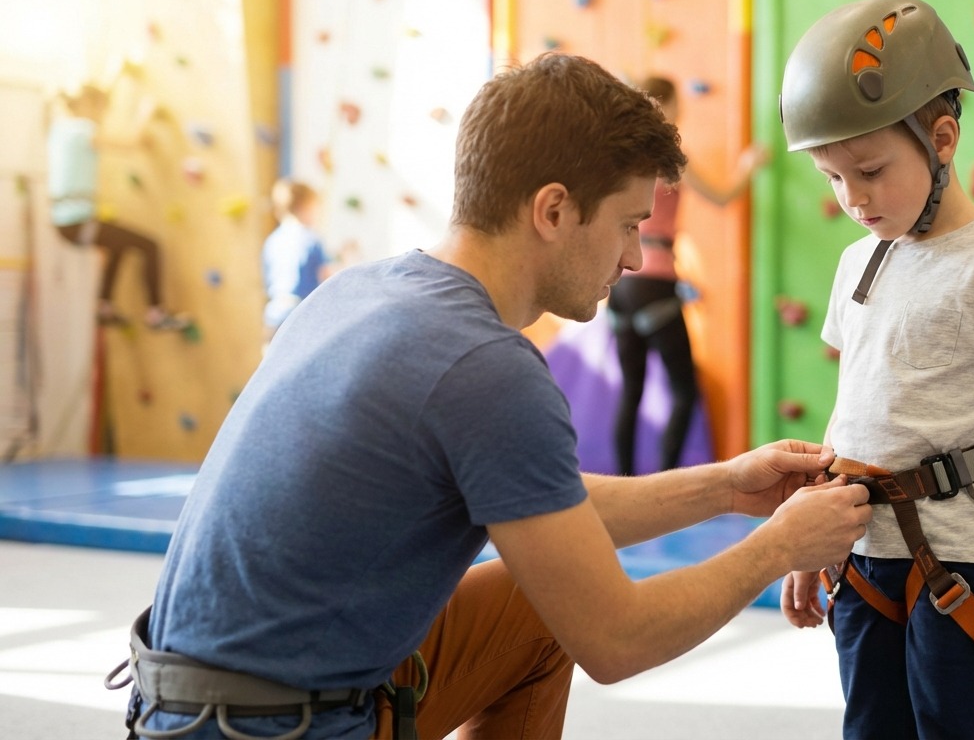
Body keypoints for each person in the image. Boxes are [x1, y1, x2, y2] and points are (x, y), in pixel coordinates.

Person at [113, 52, 872, 740]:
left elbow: (544, 506)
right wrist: (781, 546)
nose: (636, 255)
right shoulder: (484, 364)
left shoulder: (368, 289)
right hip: (268, 728)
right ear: (552, 210)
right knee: (572, 611)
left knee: (529, 598)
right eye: (627, 224)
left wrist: (727, 488)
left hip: (188, 705)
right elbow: (616, 639)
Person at [775, 0, 974, 739]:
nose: (853, 198)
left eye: (870, 171)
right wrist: (813, 534)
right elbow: (852, 404)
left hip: (960, 556)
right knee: (870, 725)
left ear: (942, 140)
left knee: (956, 726)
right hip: (862, 549)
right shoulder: (856, 260)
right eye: (833, 178)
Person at [607, 75, 765, 475]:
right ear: (669, 105)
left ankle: (624, 484)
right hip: (656, 281)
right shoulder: (666, 156)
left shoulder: (622, 158)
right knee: (682, 391)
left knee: (632, 391)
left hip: (622, 287)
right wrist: (748, 166)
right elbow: (724, 195)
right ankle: (664, 485)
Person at [48, 82, 191, 331]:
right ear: (88, 105)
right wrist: (145, 112)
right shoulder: (82, 129)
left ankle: (104, 306)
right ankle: (156, 313)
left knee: (119, 246)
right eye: (102, 110)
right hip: (78, 221)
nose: (101, 117)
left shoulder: (59, 130)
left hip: (66, 222)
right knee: (150, 245)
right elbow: (130, 143)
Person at [261, 179, 357, 342]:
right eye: (314, 209)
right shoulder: (310, 239)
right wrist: (347, 262)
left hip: (273, 315)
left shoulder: (272, 241)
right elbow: (328, 279)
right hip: (299, 316)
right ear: (303, 207)